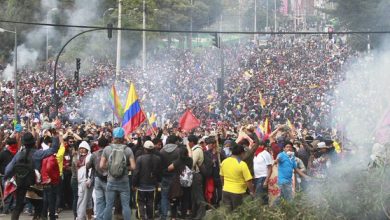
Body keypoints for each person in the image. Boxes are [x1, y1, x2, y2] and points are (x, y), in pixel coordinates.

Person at [5, 132, 59, 220]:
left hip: (20, 183)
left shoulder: (19, 154)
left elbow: (8, 169)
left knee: (18, 207)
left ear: (23, 143)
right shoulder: (38, 154)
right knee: (39, 207)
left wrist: (6, 178)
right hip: (34, 184)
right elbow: (53, 150)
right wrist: (55, 137)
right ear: (34, 142)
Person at [100, 127, 136, 220]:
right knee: (125, 205)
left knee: (109, 205)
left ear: (113, 137)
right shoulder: (128, 150)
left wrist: (110, 167)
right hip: (124, 181)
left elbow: (101, 165)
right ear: (123, 137)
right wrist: (124, 168)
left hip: (111, 181)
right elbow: (133, 167)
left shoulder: (107, 149)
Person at [220, 143, 255, 211]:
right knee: (237, 213)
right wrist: (252, 191)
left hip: (225, 191)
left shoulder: (224, 161)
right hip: (237, 193)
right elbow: (248, 181)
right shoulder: (242, 164)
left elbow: (221, 176)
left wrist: (224, 186)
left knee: (228, 213)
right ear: (241, 153)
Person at [133, 140, 162, 220]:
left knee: (140, 203)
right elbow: (159, 173)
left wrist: (134, 184)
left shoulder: (139, 159)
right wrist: (158, 183)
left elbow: (136, 173)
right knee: (151, 203)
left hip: (141, 186)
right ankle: (150, 217)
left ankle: (142, 218)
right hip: (152, 186)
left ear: (144, 149)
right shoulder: (157, 159)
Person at [86, 137, 109, 220]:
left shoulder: (94, 154)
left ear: (98, 145)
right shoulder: (110, 154)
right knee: (108, 201)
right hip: (108, 179)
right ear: (107, 145)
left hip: (98, 179)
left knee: (99, 200)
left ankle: (99, 217)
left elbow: (88, 166)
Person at [167, 146, 193, 219]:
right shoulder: (190, 160)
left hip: (177, 184)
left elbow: (169, 168)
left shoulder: (178, 161)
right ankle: (183, 216)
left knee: (175, 201)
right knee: (185, 200)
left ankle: (173, 217)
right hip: (187, 184)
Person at [159, 135, 181, 220]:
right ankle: (173, 216)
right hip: (176, 177)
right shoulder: (178, 151)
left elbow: (160, 164)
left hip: (165, 176)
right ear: (175, 141)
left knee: (164, 197)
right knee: (175, 196)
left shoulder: (162, 151)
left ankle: (163, 216)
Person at [74, 141, 93, 220]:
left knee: (81, 201)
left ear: (87, 149)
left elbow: (91, 169)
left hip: (85, 181)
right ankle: (88, 218)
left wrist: (89, 179)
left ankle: (80, 217)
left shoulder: (89, 156)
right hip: (81, 181)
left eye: (83, 148)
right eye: (80, 148)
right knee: (88, 202)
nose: (81, 150)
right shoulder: (79, 157)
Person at [189, 135, 206, 220]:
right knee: (193, 196)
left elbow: (191, 163)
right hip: (194, 175)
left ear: (191, 142)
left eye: (188, 142)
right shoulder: (196, 149)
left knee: (198, 196)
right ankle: (194, 214)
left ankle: (201, 215)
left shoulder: (196, 150)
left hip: (196, 175)